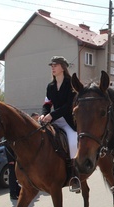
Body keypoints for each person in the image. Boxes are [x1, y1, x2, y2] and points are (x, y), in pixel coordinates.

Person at [40, 56, 80, 192]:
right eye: (51, 66)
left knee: (73, 142)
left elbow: (69, 105)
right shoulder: (50, 86)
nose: (52, 68)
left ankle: (75, 176)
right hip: (54, 119)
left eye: (55, 65)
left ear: (63, 67)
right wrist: (43, 114)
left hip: (69, 120)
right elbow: (47, 104)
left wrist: (52, 115)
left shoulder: (70, 83)